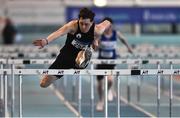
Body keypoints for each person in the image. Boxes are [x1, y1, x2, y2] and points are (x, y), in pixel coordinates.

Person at [33, 8, 111, 88]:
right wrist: (46, 41)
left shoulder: (98, 30)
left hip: (81, 59)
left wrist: (96, 39)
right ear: (78, 20)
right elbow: (59, 32)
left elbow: (107, 22)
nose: (83, 27)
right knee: (43, 84)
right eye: (81, 23)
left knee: (83, 55)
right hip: (65, 57)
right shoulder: (73, 26)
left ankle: (80, 63)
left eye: (86, 24)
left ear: (92, 23)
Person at [96, 17, 133, 111]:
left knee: (110, 81)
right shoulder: (100, 35)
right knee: (100, 84)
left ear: (111, 25)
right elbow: (95, 47)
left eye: (108, 25)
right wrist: (97, 44)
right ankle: (101, 101)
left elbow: (123, 39)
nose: (106, 27)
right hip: (101, 61)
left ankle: (108, 90)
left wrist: (129, 48)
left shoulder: (116, 33)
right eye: (104, 25)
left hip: (111, 62)